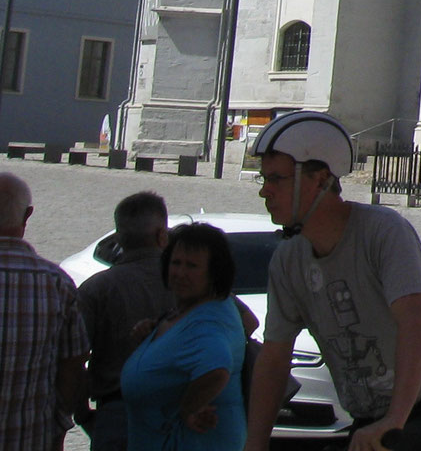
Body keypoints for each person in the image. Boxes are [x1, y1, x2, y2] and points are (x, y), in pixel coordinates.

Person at [243, 111, 421, 451]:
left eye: (276, 179)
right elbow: (275, 356)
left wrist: (394, 421)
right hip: (369, 417)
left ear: (321, 179)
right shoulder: (287, 260)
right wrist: (255, 444)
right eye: (263, 179)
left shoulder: (383, 231)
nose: (265, 192)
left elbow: (415, 323)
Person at [121, 223, 246, 451]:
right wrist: (156, 337)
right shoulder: (198, 308)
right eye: (176, 263)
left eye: (192, 266)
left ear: (214, 272)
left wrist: (188, 409)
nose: (180, 273)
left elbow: (217, 368)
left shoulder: (208, 322)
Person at [76, 190, 176, 450]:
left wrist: (83, 414)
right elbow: (245, 322)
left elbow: (73, 360)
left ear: (119, 237)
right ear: (162, 235)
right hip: (180, 411)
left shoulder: (96, 289)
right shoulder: (189, 283)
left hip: (116, 412)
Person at [0, 170, 89, 451]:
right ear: (27, 215)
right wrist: (59, 423)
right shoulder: (56, 283)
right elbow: (74, 362)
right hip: (29, 436)